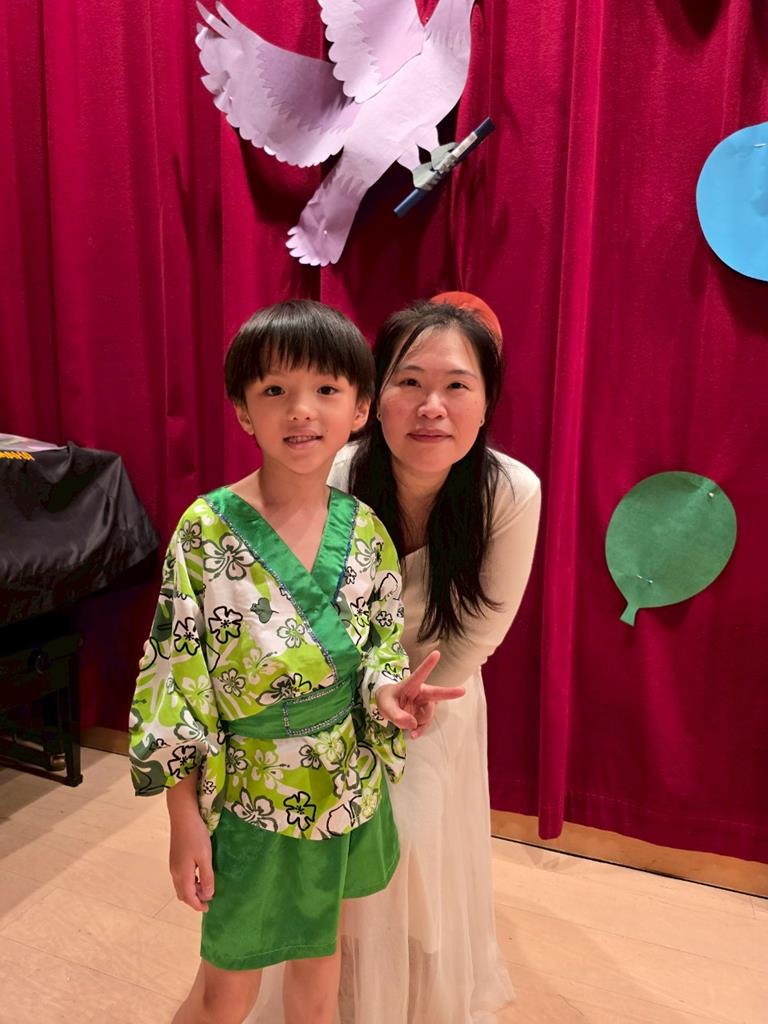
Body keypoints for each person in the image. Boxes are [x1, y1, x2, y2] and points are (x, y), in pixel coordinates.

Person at [127, 299, 464, 1024]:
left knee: (319, 972)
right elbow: (174, 685)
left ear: (360, 408)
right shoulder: (205, 532)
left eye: (326, 389)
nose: (301, 410)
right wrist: (183, 820)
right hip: (247, 797)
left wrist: (387, 696)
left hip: (341, 785)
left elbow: (377, 650)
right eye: (274, 389)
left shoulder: (365, 530)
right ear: (243, 411)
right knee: (226, 990)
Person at [249, 296, 541, 1023]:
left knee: (411, 853)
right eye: (409, 382)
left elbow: (482, 628)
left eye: (457, 385)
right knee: (334, 859)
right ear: (372, 399)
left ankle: (407, 992)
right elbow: (298, 607)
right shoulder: (336, 474)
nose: (431, 407)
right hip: (334, 691)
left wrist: (412, 703)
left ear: (486, 402)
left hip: (438, 694)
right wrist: (357, 701)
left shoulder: (511, 491)